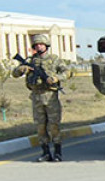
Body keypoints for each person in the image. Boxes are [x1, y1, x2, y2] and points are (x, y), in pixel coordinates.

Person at [13, 33, 70, 162]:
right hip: (36, 97)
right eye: (37, 45)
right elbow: (15, 73)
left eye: (41, 44)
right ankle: (45, 152)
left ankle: (57, 152)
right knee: (40, 126)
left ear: (46, 45)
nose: (39, 47)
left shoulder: (54, 59)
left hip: (50, 96)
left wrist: (56, 78)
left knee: (54, 125)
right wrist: (21, 69)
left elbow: (67, 72)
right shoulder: (31, 60)